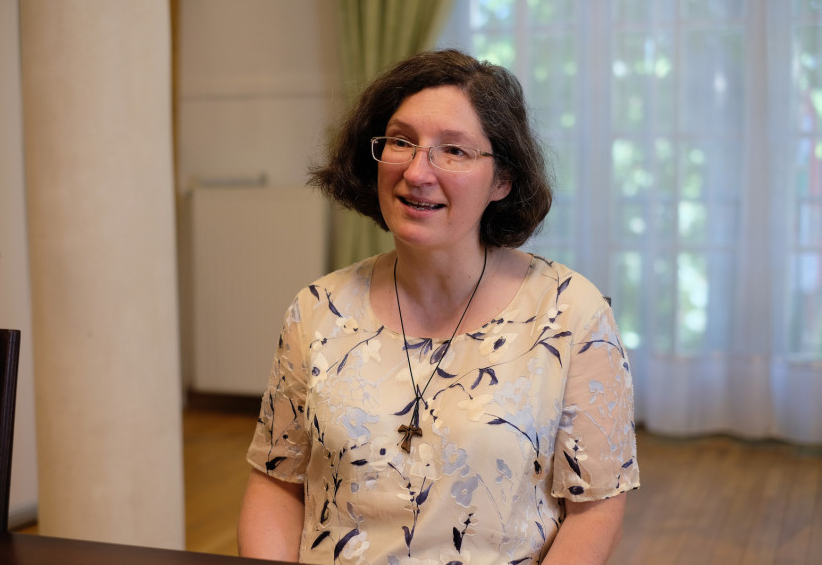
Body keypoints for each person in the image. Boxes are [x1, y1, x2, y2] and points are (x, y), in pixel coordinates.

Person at [238, 49, 639, 565]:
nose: (417, 171)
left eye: (453, 150)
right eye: (401, 141)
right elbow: (277, 484)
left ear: (503, 180)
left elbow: (596, 511)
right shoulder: (316, 310)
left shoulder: (569, 312)